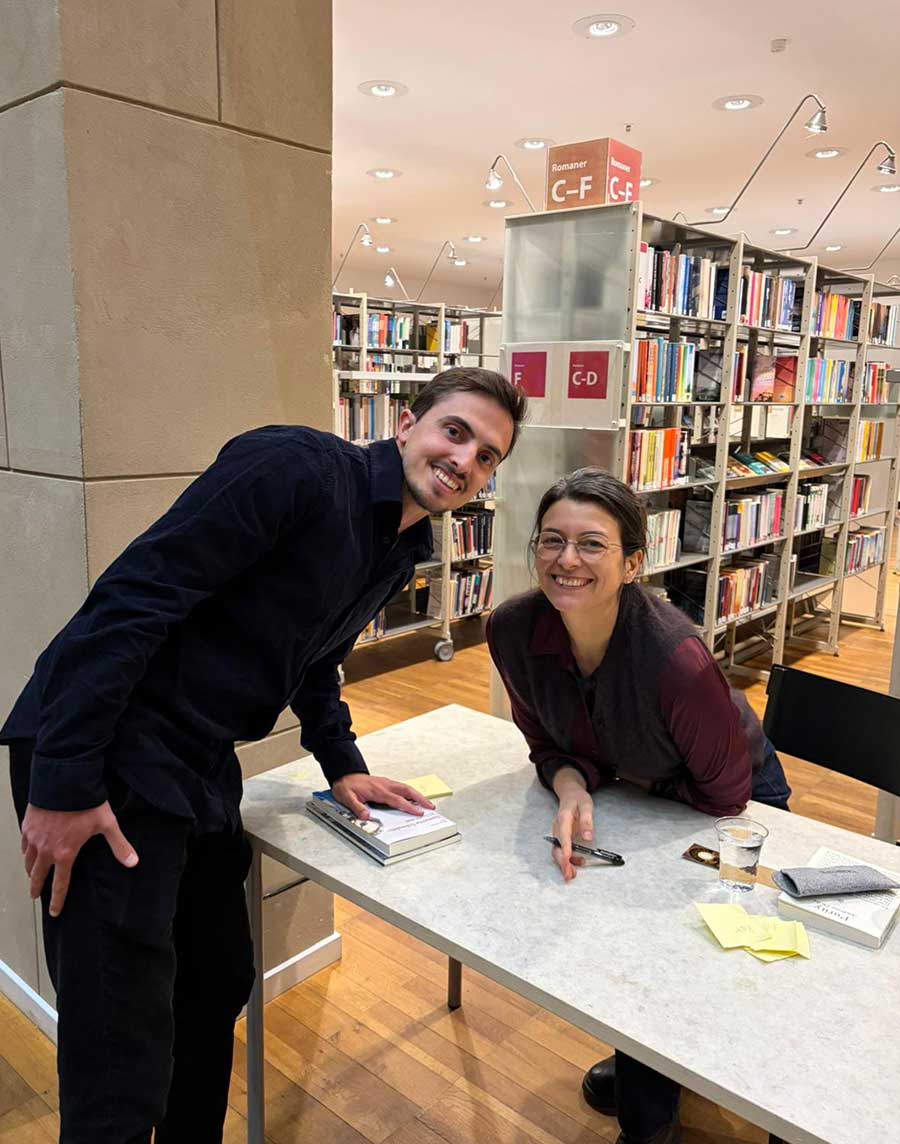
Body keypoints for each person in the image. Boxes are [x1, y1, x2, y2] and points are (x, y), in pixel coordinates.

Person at [2, 366, 527, 1144]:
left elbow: (317, 659)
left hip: (197, 756)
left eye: (487, 456)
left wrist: (343, 763)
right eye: (456, 432)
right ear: (406, 423)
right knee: (119, 1047)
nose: (464, 461)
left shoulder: (401, 546)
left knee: (216, 982)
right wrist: (64, 783)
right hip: (106, 747)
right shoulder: (294, 467)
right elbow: (132, 600)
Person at [486, 468, 790, 1144]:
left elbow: (725, 795)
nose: (566, 559)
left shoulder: (675, 660)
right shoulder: (511, 630)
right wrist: (573, 784)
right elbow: (545, 743)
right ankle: (650, 1084)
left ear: (632, 564)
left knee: (682, 939)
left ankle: (678, 1089)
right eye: (552, 540)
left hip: (734, 802)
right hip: (631, 787)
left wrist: (618, 777)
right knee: (626, 933)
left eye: (592, 544)